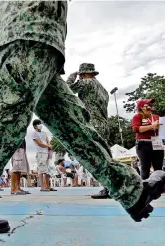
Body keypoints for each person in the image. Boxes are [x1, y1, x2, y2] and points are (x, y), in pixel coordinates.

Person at [0, 1, 165, 234]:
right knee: (9, 116)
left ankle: (131, 192)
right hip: (30, 27)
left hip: (44, 37)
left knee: (74, 126)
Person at [64, 63, 110, 198]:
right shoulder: (102, 88)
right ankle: (111, 187)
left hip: (94, 124)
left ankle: (108, 187)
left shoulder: (87, 82)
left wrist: (71, 78)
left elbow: (67, 90)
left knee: (98, 157)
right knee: (105, 155)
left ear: (82, 74)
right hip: (104, 123)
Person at [132, 99, 165, 194]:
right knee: (145, 166)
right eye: (147, 105)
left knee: (159, 166)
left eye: (151, 104)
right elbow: (136, 129)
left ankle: (162, 187)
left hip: (157, 142)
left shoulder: (156, 116)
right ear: (141, 107)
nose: (150, 106)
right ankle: (144, 188)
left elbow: (164, 129)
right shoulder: (137, 117)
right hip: (143, 143)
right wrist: (151, 126)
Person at [32, 119, 54, 192]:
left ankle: (47, 186)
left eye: (40, 123)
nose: (40, 125)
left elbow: (48, 141)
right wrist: (48, 146)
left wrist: (49, 145)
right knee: (42, 170)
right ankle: (42, 187)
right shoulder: (34, 134)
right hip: (40, 153)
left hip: (47, 153)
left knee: (47, 171)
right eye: (38, 124)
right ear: (35, 126)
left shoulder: (44, 133)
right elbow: (39, 143)